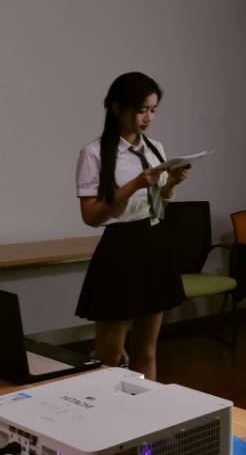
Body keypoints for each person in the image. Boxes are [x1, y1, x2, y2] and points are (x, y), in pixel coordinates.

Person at [75, 72, 190, 381]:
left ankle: (146, 411)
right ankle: (100, 411)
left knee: (147, 352)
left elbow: (156, 208)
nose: (148, 117)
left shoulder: (156, 148)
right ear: (117, 108)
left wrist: (169, 185)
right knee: (109, 355)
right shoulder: (94, 153)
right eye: (141, 110)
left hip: (155, 244)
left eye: (153, 110)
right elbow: (91, 217)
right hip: (120, 249)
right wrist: (135, 184)